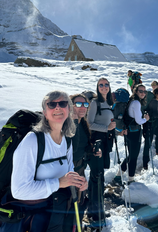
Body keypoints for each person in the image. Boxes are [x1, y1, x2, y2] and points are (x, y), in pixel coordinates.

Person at [0, 90, 88, 232]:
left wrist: (77, 181)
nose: (57, 107)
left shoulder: (67, 139)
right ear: (45, 113)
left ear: (69, 109)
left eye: (62, 103)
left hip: (56, 214)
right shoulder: (33, 140)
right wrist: (58, 183)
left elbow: (69, 168)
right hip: (29, 219)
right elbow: (19, 191)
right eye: (51, 104)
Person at [63, 93, 101, 232]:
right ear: (70, 106)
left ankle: (76, 227)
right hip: (68, 173)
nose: (82, 107)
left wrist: (92, 151)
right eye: (78, 104)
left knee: (78, 202)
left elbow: (81, 147)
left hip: (80, 170)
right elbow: (72, 149)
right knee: (70, 205)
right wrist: (73, 122)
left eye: (85, 104)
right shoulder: (66, 124)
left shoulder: (82, 123)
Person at [87, 78, 116, 224]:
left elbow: (106, 122)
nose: (104, 87)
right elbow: (89, 124)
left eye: (106, 84)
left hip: (106, 141)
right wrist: (106, 129)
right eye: (101, 85)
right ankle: (96, 212)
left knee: (100, 174)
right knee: (97, 175)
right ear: (97, 87)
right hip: (97, 142)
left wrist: (114, 129)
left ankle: (95, 208)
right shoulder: (94, 103)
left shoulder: (109, 103)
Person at [114, 84, 149, 184]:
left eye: (144, 91)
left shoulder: (130, 101)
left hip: (128, 131)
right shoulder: (136, 103)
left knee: (131, 155)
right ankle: (131, 179)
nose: (143, 93)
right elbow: (139, 121)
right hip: (135, 132)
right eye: (140, 91)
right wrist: (146, 119)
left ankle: (118, 175)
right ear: (136, 91)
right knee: (134, 157)